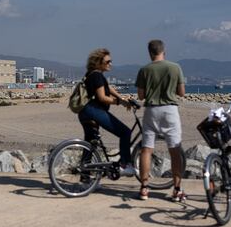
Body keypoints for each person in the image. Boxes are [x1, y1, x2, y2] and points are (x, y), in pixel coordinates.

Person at [135, 40, 186, 201]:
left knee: (146, 149)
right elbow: (181, 93)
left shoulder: (144, 70)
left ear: (150, 52)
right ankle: (176, 189)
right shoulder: (175, 67)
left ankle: (144, 187)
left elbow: (141, 96)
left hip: (151, 110)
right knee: (175, 150)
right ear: (164, 51)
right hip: (170, 110)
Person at [78, 48, 136, 177]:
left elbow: (108, 87)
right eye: (108, 61)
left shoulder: (92, 74)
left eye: (111, 61)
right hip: (94, 111)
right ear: (99, 62)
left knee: (90, 143)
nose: (110, 64)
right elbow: (102, 97)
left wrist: (121, 98)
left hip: (85, 112)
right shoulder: (97, 75)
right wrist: (119, 102)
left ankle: (85, 178)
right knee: (125, 132)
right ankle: (125, 165)